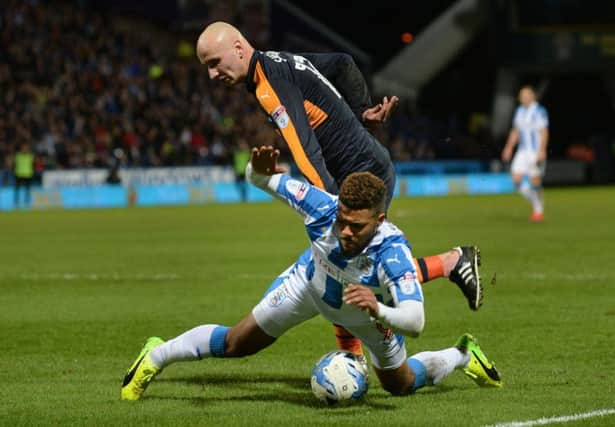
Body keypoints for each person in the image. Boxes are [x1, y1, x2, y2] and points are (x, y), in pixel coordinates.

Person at [194, 22, 484, 359]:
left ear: (240, 49)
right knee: (341, 267)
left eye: (215, 62)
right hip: (364, 166)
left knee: (347, 265)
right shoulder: (282, 61)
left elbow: (304, 149)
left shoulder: (268, 84)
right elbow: (343, 63)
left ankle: (449, 263)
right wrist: (362, 109)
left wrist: (328, 206)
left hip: (358, 176)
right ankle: (355, 356)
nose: (213, 75)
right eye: (207, 67)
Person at [121, 146, 502, 401]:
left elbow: (415, 321)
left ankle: (463, 355)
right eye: (343, 221)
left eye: (357, 226)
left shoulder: (393, 252)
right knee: (238, 343)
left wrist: (378, 310)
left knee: (399, 386)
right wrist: (259, 169)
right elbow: (257, 179)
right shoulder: (320, 207)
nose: (346, 231)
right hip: (307, 286)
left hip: (364, 313)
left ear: (379, 220)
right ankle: (156, 355)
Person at [501, 85, 549, 222]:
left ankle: (538, 210)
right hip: (522, 151)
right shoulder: (519, 111)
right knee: (516, 179)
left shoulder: (539, 111)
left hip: (535, 150)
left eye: (527, 95)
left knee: (535, 181)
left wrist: (542, 150)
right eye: (522, 95)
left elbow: (544, 131)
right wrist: (508, 147)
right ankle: (536, 204)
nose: (524, 97)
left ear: (533, 96)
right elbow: (515, 131)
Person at [13, 143, 35, 208]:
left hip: (28, 174)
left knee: (27, 189)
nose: (25, 149)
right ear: (21, 148)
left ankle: (27, 203)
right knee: (17, 189)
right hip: (19, 174)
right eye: (23, 148)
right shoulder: (17, 155)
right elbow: (13, 164)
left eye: (26, 148)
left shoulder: (31, 156)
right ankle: (16, 203)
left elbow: (33, 164)